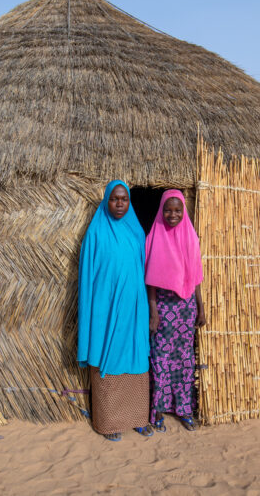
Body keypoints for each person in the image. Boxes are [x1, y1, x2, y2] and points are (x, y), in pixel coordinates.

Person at [77, 180, 152, 441]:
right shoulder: (96, 233)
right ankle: (109, 423)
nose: (120, 204)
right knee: (107, 357)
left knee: (137, 355)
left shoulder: (136, 232)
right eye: (114, 199)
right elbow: (87, 277)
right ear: (106, 200)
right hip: (105, 311)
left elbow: (145, 270)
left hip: (134, 310)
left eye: (124, 199)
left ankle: (138, 418)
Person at [144, 190, 206, 432]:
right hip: (163, 307)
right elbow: (149, 280)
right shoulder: (154, 237)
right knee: (160, 359)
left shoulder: (190, 237)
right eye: (168, 210)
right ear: (161, 210)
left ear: (184, 211)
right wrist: (154, 312)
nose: (173, 214)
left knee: (184, 361)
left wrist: (200, 307)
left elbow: (196, 277)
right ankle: (157, 410)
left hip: (186, 309)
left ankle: (184, 410)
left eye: (177, 210)